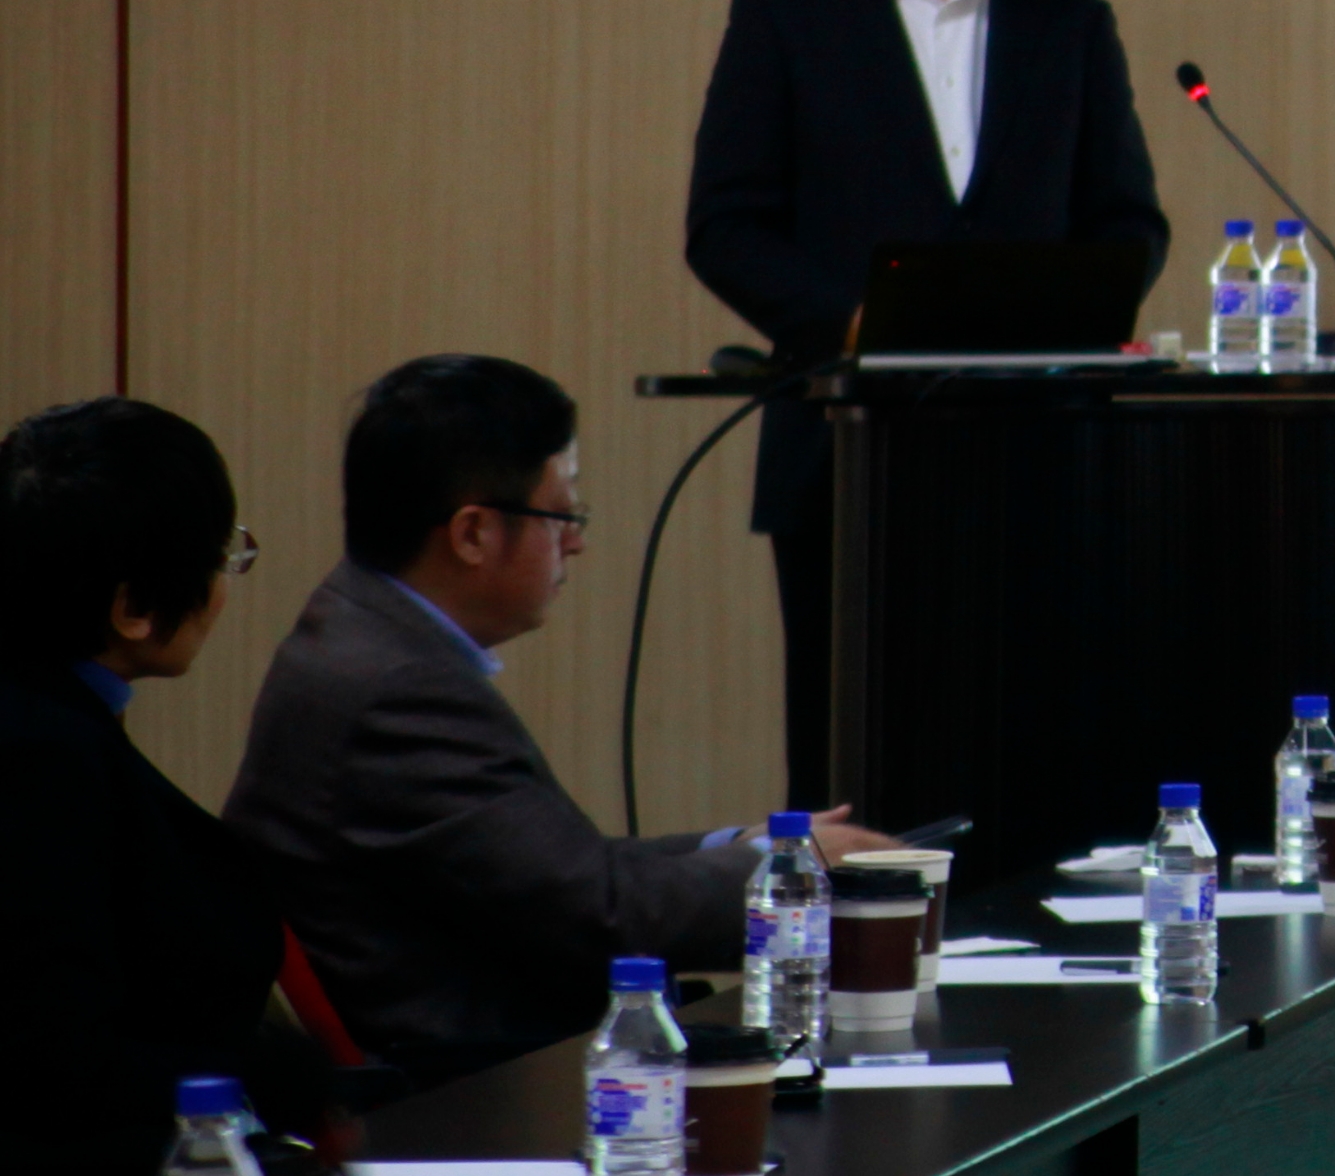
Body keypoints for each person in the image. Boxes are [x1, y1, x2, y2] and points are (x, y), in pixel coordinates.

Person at [685, 0, 1168, 799]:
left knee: (1036, 753)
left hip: (1038, 447)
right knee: (855, 755)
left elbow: (1127, 220)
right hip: (846, 447)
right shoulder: (784, 15)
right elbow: (725, 225)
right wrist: (858, 326)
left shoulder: (1069, 22)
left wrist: (1059, 318)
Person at [222, 355, 888, 1079]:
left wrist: (746, 846)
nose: (576, 540)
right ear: (473, 533)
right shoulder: (398, 688)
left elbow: (559, 875)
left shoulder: (361, 632)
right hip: (474, 1092)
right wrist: (788, 874)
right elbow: (598, 914)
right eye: (562, 515)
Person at [0, 398, 317, 1176]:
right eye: (220, 557)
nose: (221, 587)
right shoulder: (38, 757)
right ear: (134, 607)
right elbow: (56, 1066)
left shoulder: (51, 722)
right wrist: (271, 1080)